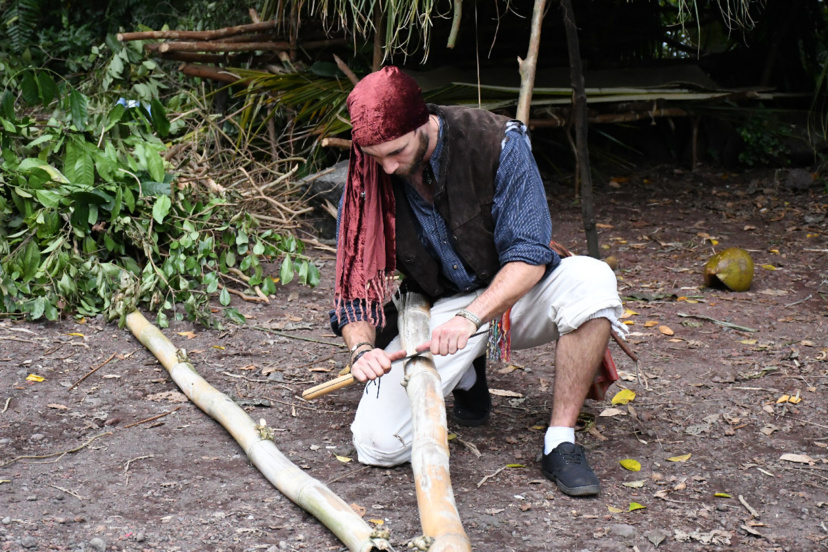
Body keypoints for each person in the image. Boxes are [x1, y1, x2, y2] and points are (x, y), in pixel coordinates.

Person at [329, 66, 625, 497]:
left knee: (593, 279)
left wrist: (472, 317)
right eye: (376, 157)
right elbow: (354, 284)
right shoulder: (369, 170)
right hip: (437, 310)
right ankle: (469, 374)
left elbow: (528, 255)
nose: (388, 167)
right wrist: (360, 349)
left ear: (421, 121)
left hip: (510, 296)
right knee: (377, 444)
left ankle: (560, 441)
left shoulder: (497, 140)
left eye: (396, 151)